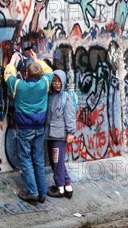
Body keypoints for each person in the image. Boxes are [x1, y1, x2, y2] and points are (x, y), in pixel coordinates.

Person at [4, 49, 53, 204]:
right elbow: (49, 71)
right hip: (39, 127)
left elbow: (8, 75)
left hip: (25, 128)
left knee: (25, 158)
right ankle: (42, 192)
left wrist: (12, 61)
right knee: (38, 159)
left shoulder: (19, 86)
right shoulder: (44, 83)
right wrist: (36, 60)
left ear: (25, 74)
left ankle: (32, 191)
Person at [45, 70, 76, 198]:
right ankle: (67, 185)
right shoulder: (51, 96)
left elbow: (70, 116)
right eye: (54, 81)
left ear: (63, 82)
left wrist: (70, 133)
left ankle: (60, 188)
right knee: (57, 162)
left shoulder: (66, 97)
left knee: (57, 161)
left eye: (58, 81)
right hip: (50, 134)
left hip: (59, 135)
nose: (56, 84)